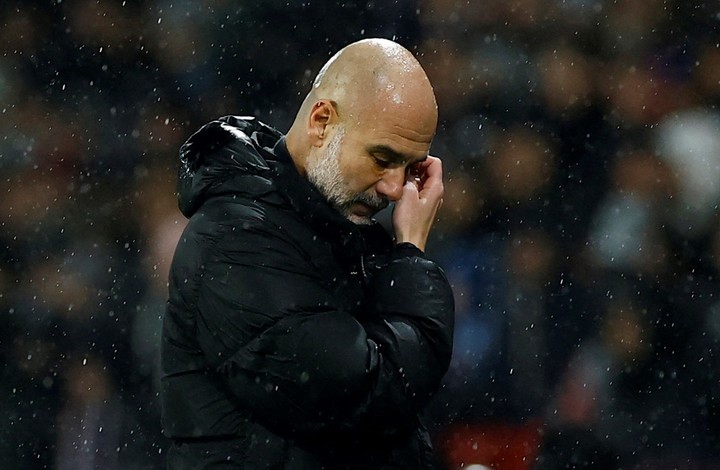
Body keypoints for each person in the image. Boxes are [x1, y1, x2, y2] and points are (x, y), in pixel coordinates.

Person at [160, 37, 455, 469]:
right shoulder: (237, 240)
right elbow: (376, 394)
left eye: (410, 168)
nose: (395, 189)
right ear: (321, 121)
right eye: (382, 158)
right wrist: (410, 253)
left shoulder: (341, 233)